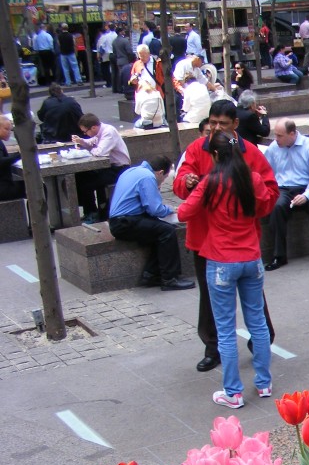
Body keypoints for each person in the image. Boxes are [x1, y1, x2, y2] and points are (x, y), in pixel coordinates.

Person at [174, 99, 279, 372]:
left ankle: (261, 343)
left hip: (241, 241)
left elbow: (269, 191)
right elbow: (181, 179)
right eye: (212, 123)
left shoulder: (252, 154)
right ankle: (213, 348)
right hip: (204, 238)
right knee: (209, 297)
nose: (216, 128)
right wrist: (186, 182)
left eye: (222, 123)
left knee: (254, 301)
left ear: (235, 124)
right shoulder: (196, 149)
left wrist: (250, 202)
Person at [107, 156, 194, 291]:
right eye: (164, 179)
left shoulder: (132, 171)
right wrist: (171, 209)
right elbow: (155, 209)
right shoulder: (147, 177)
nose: (161, 182)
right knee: (167, 231)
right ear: (160, 172)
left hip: (121, 220)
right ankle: (169, 278)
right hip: (125, 223)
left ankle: (151, 274)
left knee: (158, 230)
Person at [264, 119, 309, 270]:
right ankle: (279, 256)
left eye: (280, 136)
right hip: (284, 188)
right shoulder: (274, 148)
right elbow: (267, 172)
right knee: (276, 206)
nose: (276, 139)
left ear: (292, 134)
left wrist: (306, 195)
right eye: (276, 135)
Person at [71, 113, 131, 222]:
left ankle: (92, 213)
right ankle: (91, 211)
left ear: (93, 127)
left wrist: (86, 151)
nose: (85, 133)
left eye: (85, 131)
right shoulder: (100, 132)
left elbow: (100, 152)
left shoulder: (108, 132)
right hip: (108, 167)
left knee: (87, 184)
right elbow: (91, 142)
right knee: (80, 176)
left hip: (119, 169)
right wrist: (81, 141)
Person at [0, 116, 26, 200]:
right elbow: (1, 162)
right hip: (3, 188)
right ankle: (37, 212)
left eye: (10, 130)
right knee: (37, 186)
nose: (9, 132)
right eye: (6, 129)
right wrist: (19, 155)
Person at [112, 28, 134, 96]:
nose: (124, 32)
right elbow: (129, 51)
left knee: (120, 75)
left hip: (119, 60)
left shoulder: (114, 41)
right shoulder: (125, 41)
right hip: (125, 60)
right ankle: (127, 88)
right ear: (120, 32)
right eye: (123, 31)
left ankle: (120, 88)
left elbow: (114, 52)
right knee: (127, 75)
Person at [95, 23, 117, 88]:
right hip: (115, 54)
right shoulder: (116, 35)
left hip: (106, 54)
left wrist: (99, 54)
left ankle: (109, 82)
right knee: (114, 69)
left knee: (105, 69)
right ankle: (115, 83)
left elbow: (102, 46)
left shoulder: (105, 36)